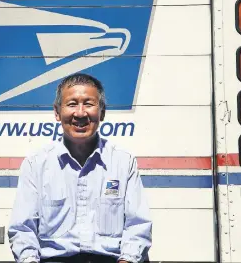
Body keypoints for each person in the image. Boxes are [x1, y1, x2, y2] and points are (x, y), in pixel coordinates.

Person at [8, 73, 152, 263]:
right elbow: (22, 230)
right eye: (72, 104)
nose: (81, 113)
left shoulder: (123, 162)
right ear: (57, 112)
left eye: (89, 104)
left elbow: (138, 227)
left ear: (102, 112)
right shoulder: (36, 164)